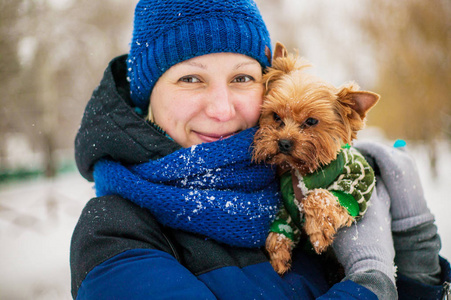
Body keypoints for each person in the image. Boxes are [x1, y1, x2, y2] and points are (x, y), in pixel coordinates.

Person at [70, 0, 450, 299]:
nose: (221, 109)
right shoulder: (113, 233)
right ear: (147, 96)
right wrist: (371, 282)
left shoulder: (299, 184)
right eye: (190, 78)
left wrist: (416, 251)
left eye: (241, 78)